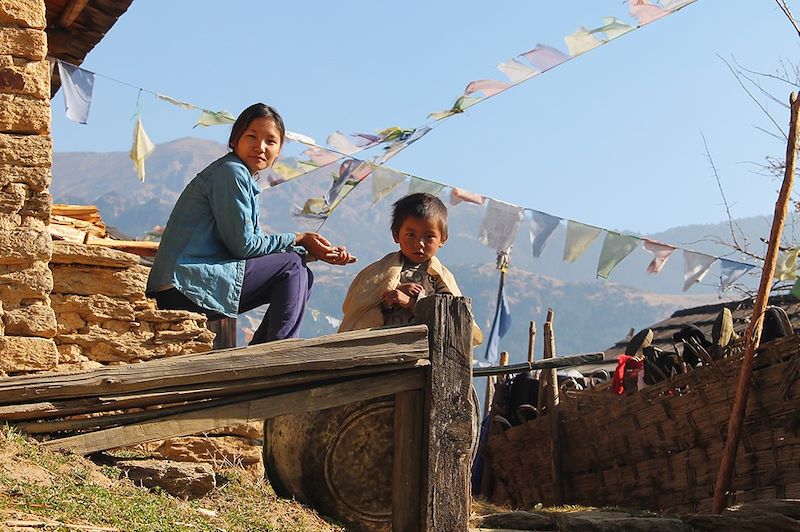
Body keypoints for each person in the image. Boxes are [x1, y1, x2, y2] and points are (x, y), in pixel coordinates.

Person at [146, 103, 354, 345]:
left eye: (270, 141)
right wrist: (298, 238)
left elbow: (251, 248)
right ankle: (279, 351)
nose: (260, 147)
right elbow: (244, 247)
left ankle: (262, 351)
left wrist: (313, 251)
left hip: (190, 284)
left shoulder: (242, 176)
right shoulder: (230, 173)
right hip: (182, 285)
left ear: (279, 150)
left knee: (302, 274)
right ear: (235, 139)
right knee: (292, 267)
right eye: (252, 136)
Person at [338, 192, 482, 344]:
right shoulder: (378, 273)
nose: (419, 243)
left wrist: (412, 303)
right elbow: (359, 308)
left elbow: (452, 317)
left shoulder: (440, 277)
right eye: (411, 234)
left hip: (425, 353)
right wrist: (391, 296)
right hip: (382, 349)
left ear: (443, 239)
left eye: (429, 236)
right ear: (396, 235)